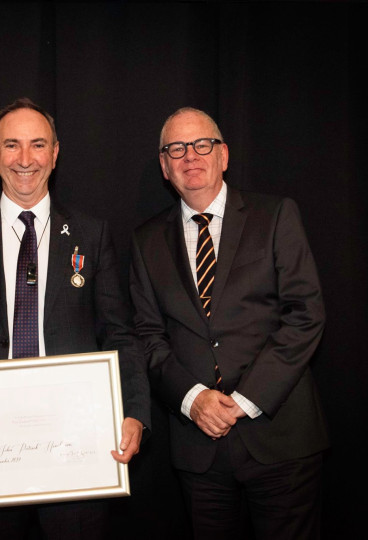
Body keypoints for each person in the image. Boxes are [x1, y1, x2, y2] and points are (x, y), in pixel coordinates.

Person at [0, 97, 151, 539]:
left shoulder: (92, 234)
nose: (25, 159)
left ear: (56, 152)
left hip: (76, 445)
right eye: (12, 145)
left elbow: (119, 333)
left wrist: (135, 411)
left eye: (38, 145)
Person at [129, 107, 329, 539]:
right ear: (164, 167)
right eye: (176, 149)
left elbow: (305, 314)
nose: (190, 157)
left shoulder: (275, 215)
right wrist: (193, 399)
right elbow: (147, 337)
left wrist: (245, 399)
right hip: (199, 449)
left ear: (223, 154)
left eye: (202, 144)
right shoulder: (145, 242)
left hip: (281, 439)